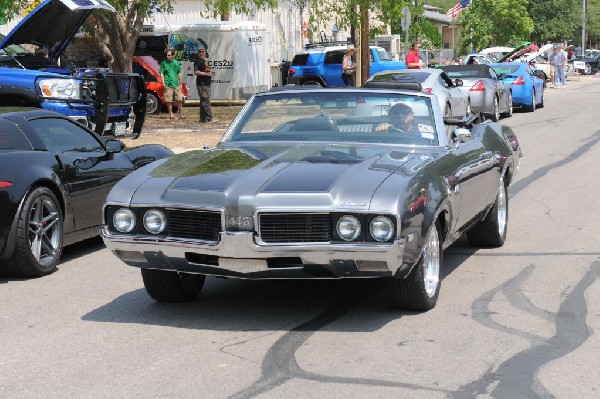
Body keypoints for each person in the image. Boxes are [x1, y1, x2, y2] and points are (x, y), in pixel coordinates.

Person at [159, 49, 185, 120]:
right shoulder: (163, 63)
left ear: (173, 55)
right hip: (168, 84)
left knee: (179, 100)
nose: (167, 56)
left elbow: (179, 73)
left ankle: (181, 115)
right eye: (167, 55)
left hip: (176, 84)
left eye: (169, 55)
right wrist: (163, 83)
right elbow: (161, 74)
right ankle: (171, 114)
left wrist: (180, 82)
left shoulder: (177, 63)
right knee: (169, 100)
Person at [194, 48, 214, 123]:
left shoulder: (204, 61)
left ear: (205, 53)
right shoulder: (198, 61)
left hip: (206, 83)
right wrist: (206, 74)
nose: (202, 53)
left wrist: (210, 73)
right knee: (205, 100)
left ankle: (203, 119)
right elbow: (196, 72)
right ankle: (209, 118)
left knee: (203, 100)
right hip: (202, 84)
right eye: (200, 52)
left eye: (203, 52)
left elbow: (206, 71)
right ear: (198, 53)